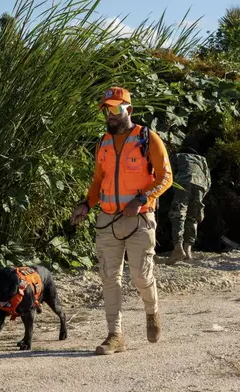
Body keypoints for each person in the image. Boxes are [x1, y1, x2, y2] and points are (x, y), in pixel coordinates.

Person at [69, 87, 173, 355]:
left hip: (140, 220)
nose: (110, 115)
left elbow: (165, 177)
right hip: (107, 221)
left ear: (129, 110)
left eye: (116, 109)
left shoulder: (147, 138)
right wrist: (85, 205)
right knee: (108, 277)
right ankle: (115, 335)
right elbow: (97, 182)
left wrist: (141, 199)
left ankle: (152, 311)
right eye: (107, 109)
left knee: (140, 275)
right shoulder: (102, 143)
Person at [167, 146, 211, 264]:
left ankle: (178, 248)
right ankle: (188, 250)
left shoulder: (177, 156)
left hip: (183, 183)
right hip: (201, 186)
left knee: (178, 214)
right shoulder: (202, 160)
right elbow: (208, 180)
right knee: (193, 217)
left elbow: (168, 173)